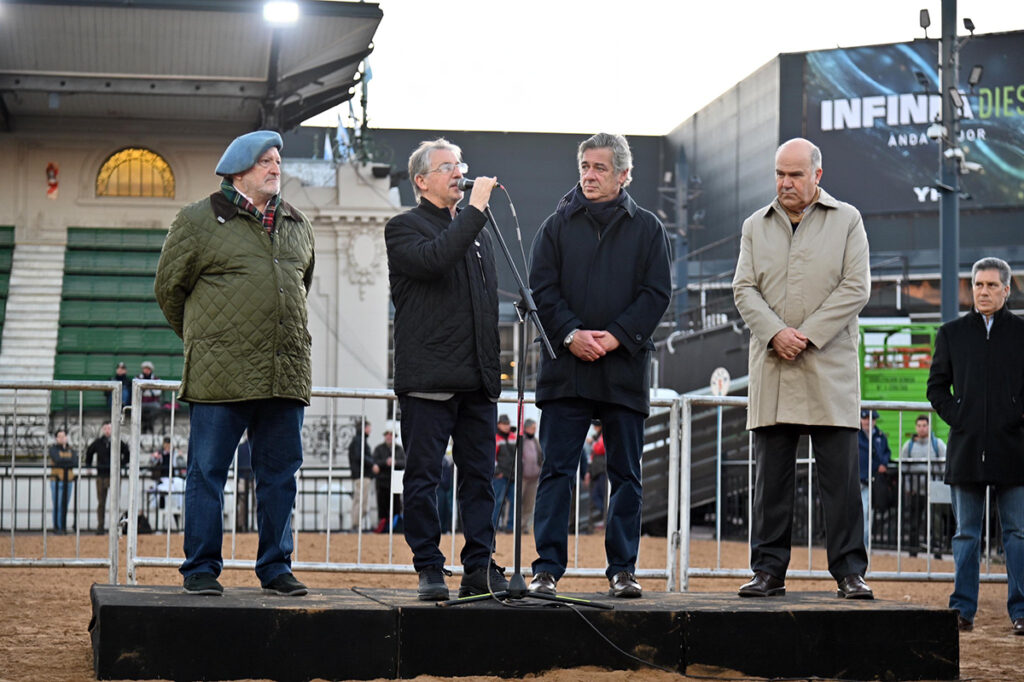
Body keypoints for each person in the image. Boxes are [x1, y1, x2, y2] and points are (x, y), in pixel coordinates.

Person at [154, 129, 314, 597]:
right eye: (265, 161)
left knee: (280, 478)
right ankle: (201, 567)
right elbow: (169, 291)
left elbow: (300, 286)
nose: (275, 167)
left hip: (284, 374)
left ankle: (275, 566)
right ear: (238, 170)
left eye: (278, 161)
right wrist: (206, 341)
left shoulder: (298, 224)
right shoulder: (197, 220)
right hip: (219, 374)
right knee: (207, 473)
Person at [527, 132, 671, 599]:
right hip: (566, 370)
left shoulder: (649, 228)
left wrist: (615, 337)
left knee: (626, 475)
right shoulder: (555, 226)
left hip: (623, 367)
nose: (589, 175)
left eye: (600, 168)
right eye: (584, 166)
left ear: (625, 175)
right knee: (557, 472)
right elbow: (541, 291)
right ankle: (546, 568)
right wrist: (571, 335)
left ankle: (622, 569)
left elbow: (657, 294)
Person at [732, 137, 873, 599]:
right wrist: (776, 333)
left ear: (817, 174)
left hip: (828, 368)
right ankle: (768, 571)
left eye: (794, 174)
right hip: (773, 368)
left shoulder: (849, 219)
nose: (785, 182)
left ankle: (850, 573)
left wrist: (806, 334)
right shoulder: (755, 225)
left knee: (841, 484)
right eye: (779, 173)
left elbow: (856, 287)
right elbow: (743, 290)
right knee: (771, 482)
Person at [384, 137, 507, 601]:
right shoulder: (403, 228)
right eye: (447, 166)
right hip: (429, 382)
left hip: (476, 383)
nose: (459, 172)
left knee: (480, 480)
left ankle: (479, 566)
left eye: (461, 164)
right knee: (424, 479)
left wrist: (491, 371)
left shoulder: (478, 234)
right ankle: (429, 568)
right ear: (421, 180)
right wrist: (474, 213)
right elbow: (434, 261)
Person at [926, 256, 1024, 635]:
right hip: (966, 448)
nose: (982, 291)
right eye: (977, 285)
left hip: (1013, 447)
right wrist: (961, 417)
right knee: (966, 533)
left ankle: (1020, 610)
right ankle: (962, 609)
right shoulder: (951, 333)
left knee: (1016, 534)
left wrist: (1016, 416)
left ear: (1006, 288)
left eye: (990, 285)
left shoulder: (1021, 332)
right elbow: (936, 387)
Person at [898, 415, 947, 556]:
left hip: (934, 490)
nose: (922, 428)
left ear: (929, 426)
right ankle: (913, 550)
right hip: (915, 490)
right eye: (919, 425)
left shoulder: (938, 444)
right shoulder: (909, 445)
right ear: (915, 427)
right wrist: (908, 488)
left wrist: (939, 485)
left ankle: (937, 548)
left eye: (924, 425)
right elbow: (904, 468)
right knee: (914, 520)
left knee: (936, 519)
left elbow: (945, 465)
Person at [84, 421, 129, 534]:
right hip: (101, 475)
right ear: (103, 430)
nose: (108, 430)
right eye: (106, 428)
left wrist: (121, 464)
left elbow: (127, 454)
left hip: (114, 475)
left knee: (115, 502)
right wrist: (88, 466)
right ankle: (101, 526)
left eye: (110, 428)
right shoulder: (98, 442)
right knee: (101, 503)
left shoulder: (118, 441)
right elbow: (89, 452)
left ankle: (114, 526)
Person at [858, 409, 892, 547]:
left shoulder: (880, 436)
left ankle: (864, 546)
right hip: (856, 480)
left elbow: (886, 453)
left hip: (872, 481)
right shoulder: (854, 434)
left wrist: (883, 463)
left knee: (867, 514)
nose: (868, 421)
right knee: (857, 514)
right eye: (865, 418)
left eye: (871, 419)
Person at [372, 429, 406, 533]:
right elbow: (375, 462)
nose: (389, 437)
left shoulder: (400, 449)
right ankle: (383, 527)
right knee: (382, 505)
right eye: (387, 435)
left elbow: (404, 462)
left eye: (391, 435)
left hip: (395, 482)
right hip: (382, 482)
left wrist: (395, 462)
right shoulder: (378, 449)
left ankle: (395, 527)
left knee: (396, 505)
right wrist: (385, 462)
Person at [48, 428, 77, 533]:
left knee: (65, 504)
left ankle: (63, 526)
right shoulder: (53, 449)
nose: (62, 438)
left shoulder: (71, 449)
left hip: (68, 480)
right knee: (58, 504)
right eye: (59, 436)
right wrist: (67, 462)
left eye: (63, 436)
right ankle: (58, 527)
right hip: (57, 479)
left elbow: (75, 462)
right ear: (56, 438)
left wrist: (64, 462)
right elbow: (57, 460)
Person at [348, 421, 375, 532]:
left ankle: (355, 525)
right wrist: (372, 464)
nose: (370, 430)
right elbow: (360, 456)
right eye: (369, 427)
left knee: (358, 500)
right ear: (364, 428)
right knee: (361, 501)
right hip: (362, 474)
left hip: (359, 474)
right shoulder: (359, 440)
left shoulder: (358, 440)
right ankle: (355, 525)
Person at [492, 414, 516, 533]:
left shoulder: (513, 437)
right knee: (498, 502)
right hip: (500, 477)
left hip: (512, 476)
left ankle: (510, 527)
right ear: (498, 425)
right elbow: (492, 458)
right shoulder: (496, 438)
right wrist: (497, 472)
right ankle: (494, 526)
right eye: (504, 424)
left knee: (513, 502)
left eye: (508, 424)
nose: (507, 426)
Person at [519, 418, 543, 533]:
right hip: (521, 477)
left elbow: (540, 456)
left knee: (529, 504)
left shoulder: (536, 441)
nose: (534, 430)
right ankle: (513, 526)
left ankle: (524, 527)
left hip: (534, 478)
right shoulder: (520, 440)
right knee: (517, 503)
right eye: (533, 427)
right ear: (527, 428)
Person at [588, 422, 608, 529]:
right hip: (598, 470)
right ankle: (606, 515)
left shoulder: (603, 435)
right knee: (598, 496)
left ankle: (607, 515)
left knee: (599, 496)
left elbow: (600, 448)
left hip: (601, 470)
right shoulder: (599, 435)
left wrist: (593, 443)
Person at [137, 361, 162, 434]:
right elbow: (136, 391)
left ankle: (149, 424)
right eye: (145, 369)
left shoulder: (156, 379)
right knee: (138, 408)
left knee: (157, 407)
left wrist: (149, 390)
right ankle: (145, 425)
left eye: (148, 369)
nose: (146, 371)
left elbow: (158, 392)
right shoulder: (138, 378)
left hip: (152, 402)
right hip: (141, 402)